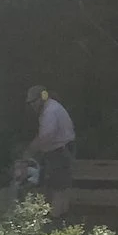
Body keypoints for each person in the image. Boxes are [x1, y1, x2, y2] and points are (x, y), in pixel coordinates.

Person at [23, 85, 76, 216]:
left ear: (41, 98)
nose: (32, 106)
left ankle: (56, 221)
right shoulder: (51, 108)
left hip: (59, 152)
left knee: (58, 188)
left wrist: (29, 151)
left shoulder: (50, 112)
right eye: (30, 103)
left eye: (34, 102)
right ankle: (62, 219)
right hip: (60, 151)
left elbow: (46, 136)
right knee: (61, 187)